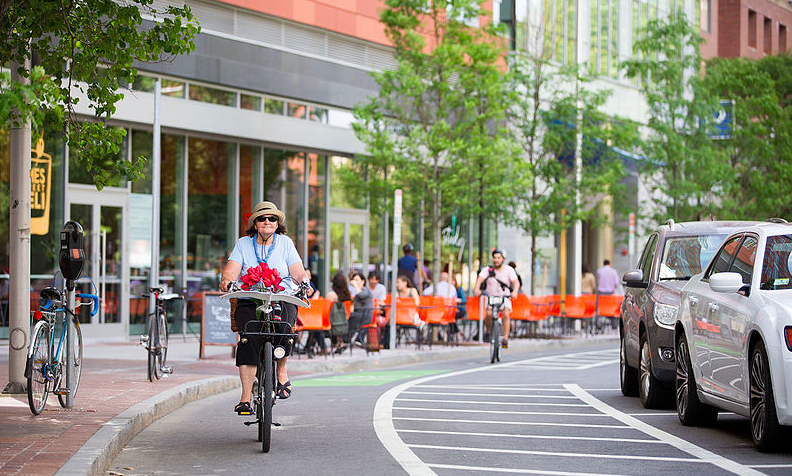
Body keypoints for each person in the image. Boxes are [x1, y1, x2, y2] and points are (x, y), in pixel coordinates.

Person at [220, 201, 308, 415]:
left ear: (278, 224)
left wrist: (304, 281)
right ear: (255, 223)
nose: (267, 222)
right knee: (248, 338)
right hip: (251, 295)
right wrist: (227, 281)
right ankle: (245, 397)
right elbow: (231, 272)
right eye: (262, 218)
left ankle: (281, 369)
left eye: (272, 219)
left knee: (287, 326)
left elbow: (297, 271)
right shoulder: (243, 243)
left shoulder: (285, 243)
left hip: (281, 295)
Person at [474, 248, 519, 349]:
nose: (496, 260)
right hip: (491, 296)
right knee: (489, 313)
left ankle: (505, 339)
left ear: (503, 259)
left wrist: (515, 291)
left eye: (498, 258)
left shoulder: (509, 270)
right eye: (494, 258)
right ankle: (489, 332)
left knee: (506, 314)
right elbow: (480, 279)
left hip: (505, 296)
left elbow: (516, 282)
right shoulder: (487, 270)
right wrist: (477, 289)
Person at [326, 271, 351, 354]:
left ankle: (321, 347)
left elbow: (327, 310)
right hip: (344, 320)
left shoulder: (331, 295)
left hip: (333, 321)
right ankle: (340, 343)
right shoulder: (348, 295)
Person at [348, 272, 373, 347]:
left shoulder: (365, 289)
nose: (355, 282)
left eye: (357, 280)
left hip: (365, 316)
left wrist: (356, 286)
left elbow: (361, 295)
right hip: (359, 315)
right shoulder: (355, 290)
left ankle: (349, 339)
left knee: (350, 320)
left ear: (363, 281)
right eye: (354, 280)